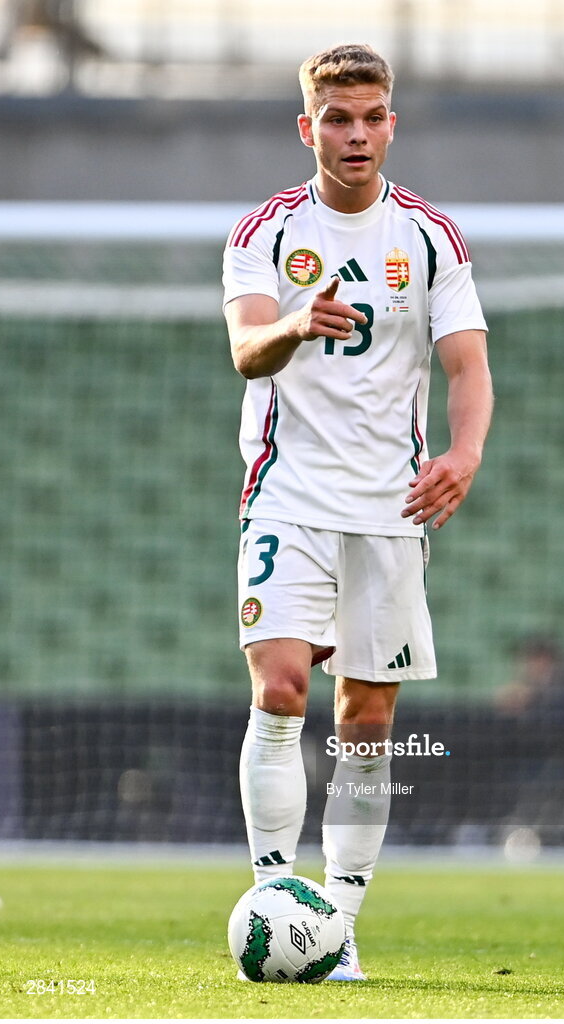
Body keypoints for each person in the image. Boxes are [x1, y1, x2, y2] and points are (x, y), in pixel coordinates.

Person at [222, 43, 492, 981]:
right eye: (338, 118)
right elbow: (246, 349)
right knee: (281, 690)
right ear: (309, 129)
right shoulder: (264, 232)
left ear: (391, 124)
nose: (357, 134)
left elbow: (467, 365)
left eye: (372, 116)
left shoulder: (430, 238)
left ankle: (336, 925)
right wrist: (296, 322)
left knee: (367, 722)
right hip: (288, 496)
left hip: (389, 506)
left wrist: (464, 453)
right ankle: (270, 890)